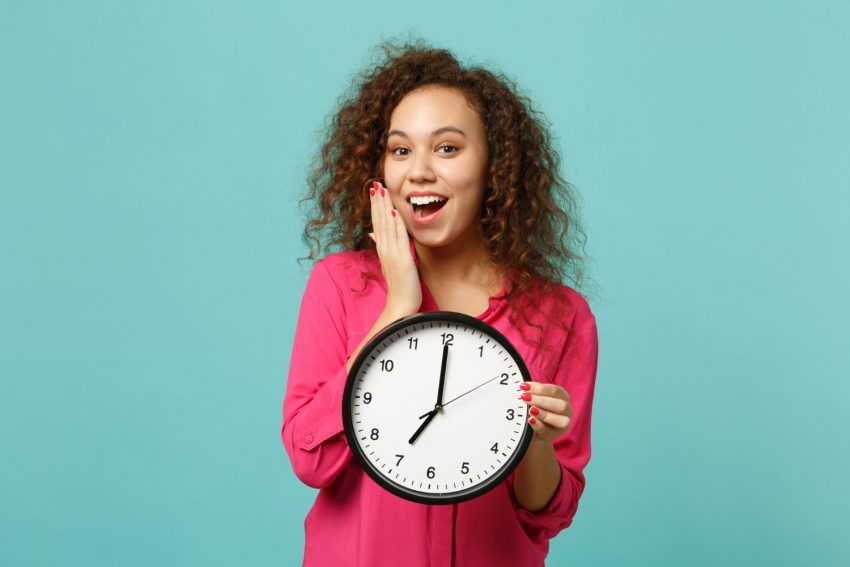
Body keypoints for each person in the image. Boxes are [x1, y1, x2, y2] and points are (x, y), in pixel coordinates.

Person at [281, 40, 599, 567]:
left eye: (447, 148)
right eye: (400, 150)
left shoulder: (560, 317)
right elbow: (309, 457)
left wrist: (536, 440)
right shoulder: (339, 285)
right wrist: (396, 308)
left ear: (494, 166)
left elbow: (546, 513)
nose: (419, 171)